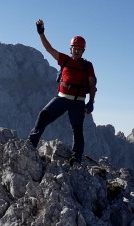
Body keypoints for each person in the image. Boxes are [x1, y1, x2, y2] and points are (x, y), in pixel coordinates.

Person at [28, 19, 97, 164]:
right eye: (74, 48)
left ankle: (76, 157)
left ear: (83, 51)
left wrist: (91, 102)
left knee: (77, 130)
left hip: (78, 102)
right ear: (70, 49)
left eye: (79, 49)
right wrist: (41, 33)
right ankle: (31, 143)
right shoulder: (64, 60)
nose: (77, 51)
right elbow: (49, 48)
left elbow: (92, 85)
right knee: (43, 115)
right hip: (61, 99)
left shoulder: (87, 66)